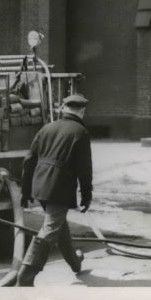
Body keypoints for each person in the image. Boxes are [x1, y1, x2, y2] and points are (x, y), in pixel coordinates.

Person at [17, 92, 93, 287]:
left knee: (58, 226)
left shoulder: (46, 128)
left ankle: (75, 263)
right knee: (51, 228)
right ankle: (25, 277)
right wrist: (86, 195)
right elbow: (85, 170)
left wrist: (25, 192)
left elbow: (28, 160)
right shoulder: (80, 132)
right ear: (82, 111)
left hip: (40, 186)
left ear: (63, 109)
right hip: (59, 188)